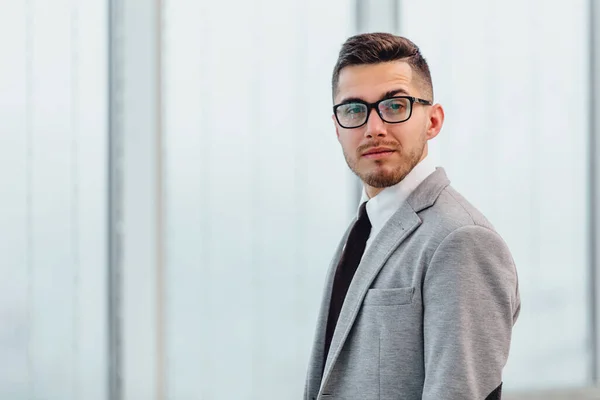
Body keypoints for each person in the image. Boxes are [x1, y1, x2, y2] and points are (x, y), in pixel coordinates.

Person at [303, 33, 521, 400]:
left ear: (433, 121)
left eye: (394, 105)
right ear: (337, 127)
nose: (374, 127)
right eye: (354, 110)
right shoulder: (364, 229)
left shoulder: (462, 239)